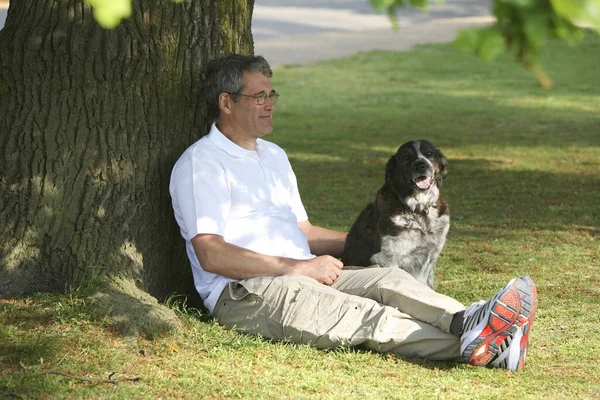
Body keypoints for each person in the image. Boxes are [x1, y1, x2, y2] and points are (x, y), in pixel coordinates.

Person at [169, 54, 538, 371]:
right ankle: (492, 349)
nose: (270, 103)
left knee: (387, 280)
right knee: (366, 316)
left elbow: (304, 230)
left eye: (272, 94)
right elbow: (211, 253)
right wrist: (298, 267)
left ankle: (470, 319)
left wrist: (369, 239)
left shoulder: (273, 156)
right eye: (259, 96)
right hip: (247, 292)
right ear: (226, 102)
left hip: (307, 271)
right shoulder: (201, 165)